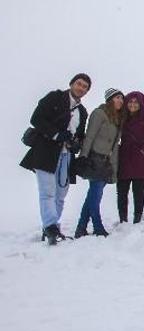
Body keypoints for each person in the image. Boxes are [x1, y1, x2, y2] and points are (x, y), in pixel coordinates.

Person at [21, 73, 90, 244]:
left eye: (85, 87)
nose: (81, 88)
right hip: (46, 152)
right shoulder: (54, 97)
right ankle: (50, 226)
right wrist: (57, 134)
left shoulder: (82, 111)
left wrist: (77, 144)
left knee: (61, 193)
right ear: (72, 83)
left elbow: (80, 135)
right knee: (47, 191)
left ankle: (53, 228)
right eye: (79, 84)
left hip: (66, 155)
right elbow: (36, 119)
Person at [75, 88, 125, 238]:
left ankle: (81, 228)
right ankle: (98, 227)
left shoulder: (116, 119)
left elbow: (114, 146)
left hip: (105, 162)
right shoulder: (99, 113)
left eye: (122, 98)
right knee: (95, 195)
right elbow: (89, 136)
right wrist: (83, 156)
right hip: (94, 159)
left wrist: (114, 167)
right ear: (110, 99)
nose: (120, 101)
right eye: (117, 98)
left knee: (92, 195)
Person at [117, 91, 144, 224]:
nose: (133, 104)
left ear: (140, 104)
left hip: (140, 161)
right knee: (122, 191)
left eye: (136, 102)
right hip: (123, 158)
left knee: (138, 191)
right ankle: (123, 220)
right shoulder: (121, 116)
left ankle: (137, 219)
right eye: (130, 101)